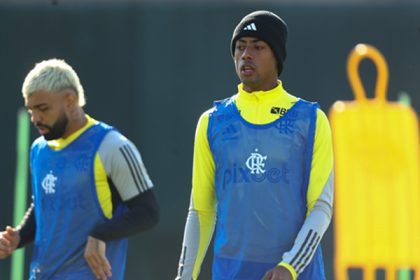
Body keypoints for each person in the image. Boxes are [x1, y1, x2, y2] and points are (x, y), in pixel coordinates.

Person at [175, 10, 333, 280]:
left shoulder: (311, 120)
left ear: (277, 57)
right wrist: (184, 275)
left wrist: (290, 267)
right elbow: (201, 209)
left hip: (296, 273)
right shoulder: (211, 122)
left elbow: (321, 207)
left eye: (258, 47)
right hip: (231, 271)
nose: (246, 54)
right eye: (240, 47)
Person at [0, 59, 159, 279]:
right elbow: (44, 205)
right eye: (31, 111)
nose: (35, 118)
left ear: (70, 100)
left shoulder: (112, 146)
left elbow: (148, 212)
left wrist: (100, 235)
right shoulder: (39, 149)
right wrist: (18, 236)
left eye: (43, 109)